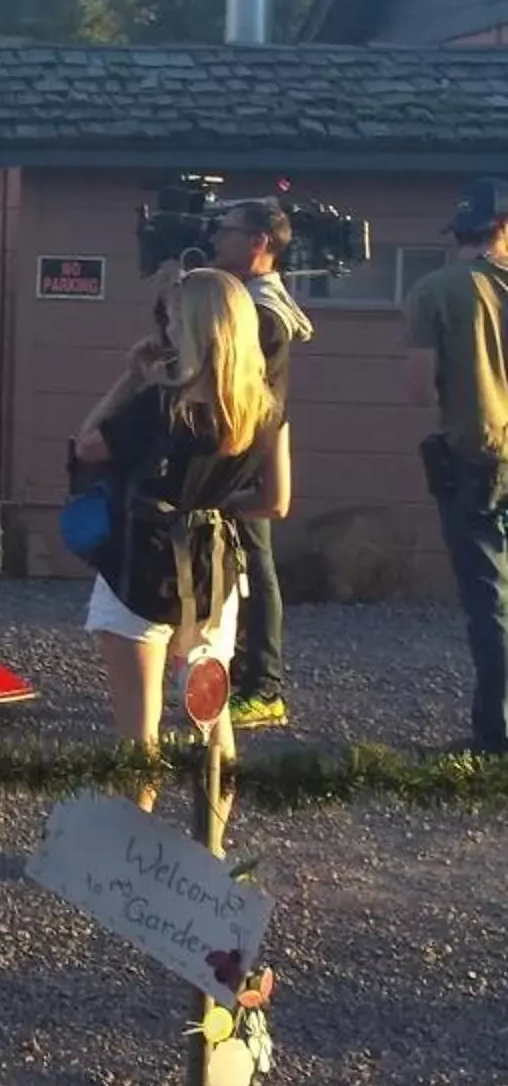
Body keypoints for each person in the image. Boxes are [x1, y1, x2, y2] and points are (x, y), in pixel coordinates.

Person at [72, 269, 288, 780]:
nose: (164, 331)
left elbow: (86, 445)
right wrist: (211, 502)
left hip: (141, 564)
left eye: (170, 321)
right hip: (215, 565)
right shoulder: (266, 409)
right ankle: (210, 842)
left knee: (138, 728)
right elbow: (276, 502)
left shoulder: (162, 404)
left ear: (190, 327)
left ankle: (138, 843)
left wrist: (131, 377)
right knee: (212, 719)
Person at [403, 177, 508, 755]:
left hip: (476, 454)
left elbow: (418, 390)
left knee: (488, 598)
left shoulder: (436, 290)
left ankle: (496, 735)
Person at [209, 199, 312, 730]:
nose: (215, 240)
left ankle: (263, 685)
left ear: (258, 243)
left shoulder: (263, 313)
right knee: (241, 565)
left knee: (254, 565)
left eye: (226, 232)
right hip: (251, 443)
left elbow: (240, 381)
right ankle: (238, 674)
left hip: (248, 451)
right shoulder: (252, 301)